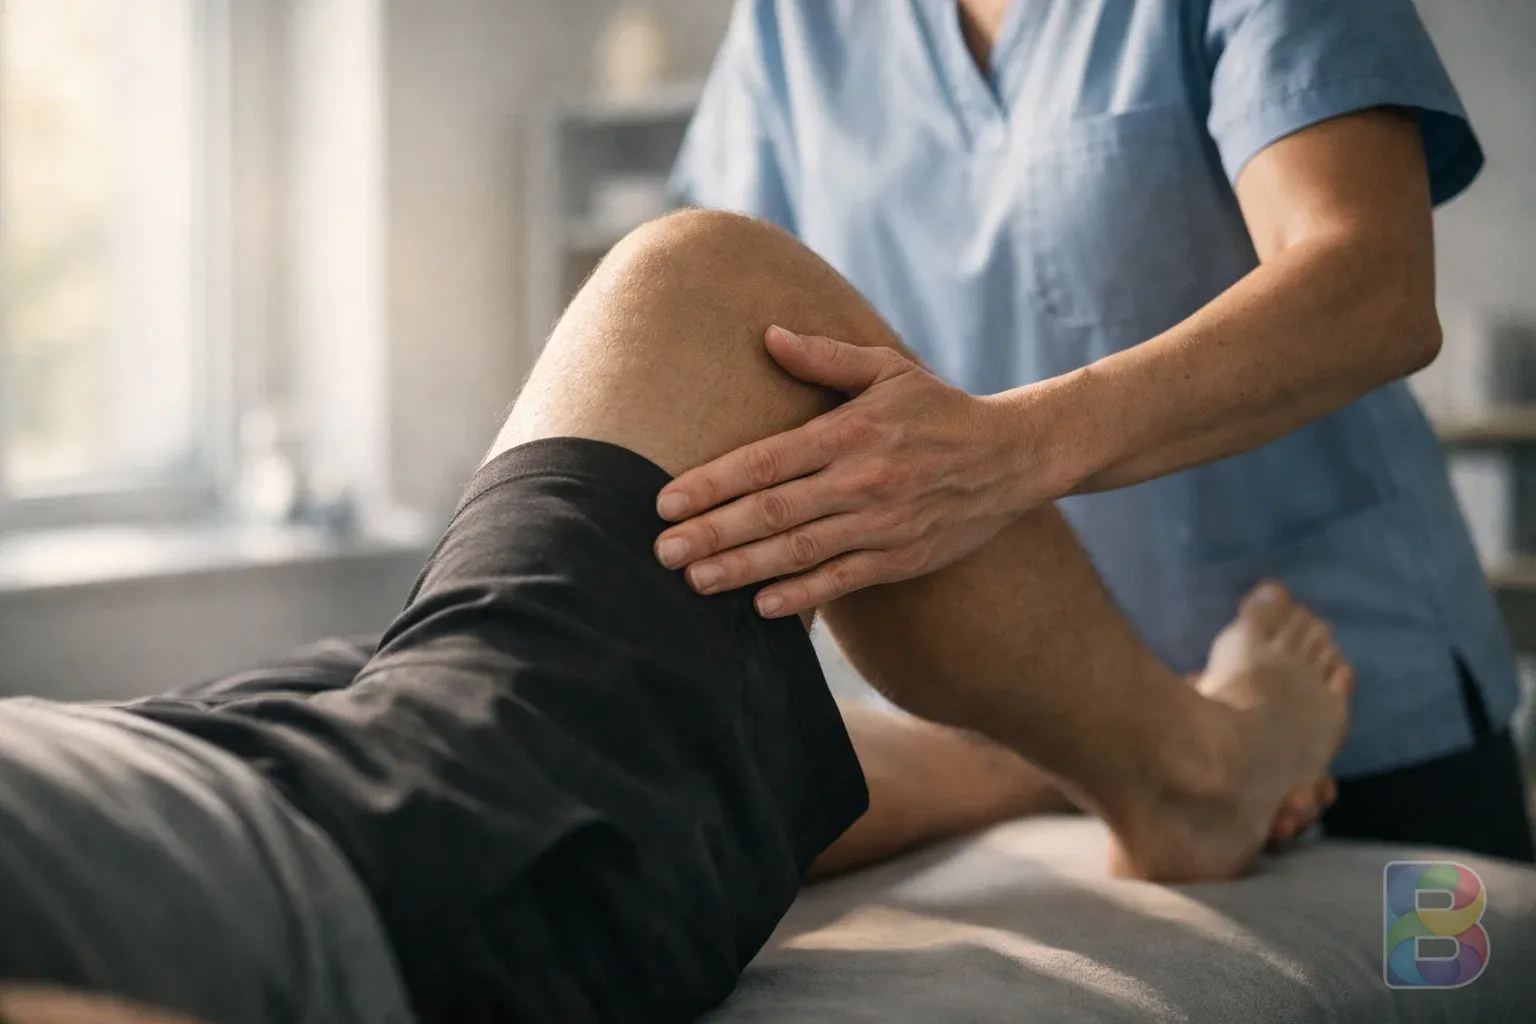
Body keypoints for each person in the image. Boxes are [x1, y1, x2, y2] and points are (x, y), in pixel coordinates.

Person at [0, 211, 1350, 1024]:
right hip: (347, 870)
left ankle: (1021, 760)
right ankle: (1190, 769)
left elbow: (1370, 290)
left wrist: (1029, 443)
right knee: (714, 291)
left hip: (180, 770)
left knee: (613, 701)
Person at [659, 0, 1534, 861]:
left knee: (1444, 983)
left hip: (1351, 696)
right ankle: (1129, 764)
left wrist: (1003, 455)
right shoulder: (793, 25)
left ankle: (1166, 764)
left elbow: (1373, 288)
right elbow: (738, 350)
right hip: (1012, 713)